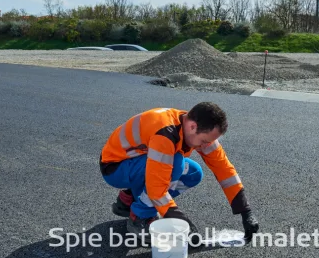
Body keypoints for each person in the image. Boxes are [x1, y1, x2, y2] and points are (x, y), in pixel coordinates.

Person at [99, 102, 259, 243]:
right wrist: (182, 223)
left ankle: (130, 198)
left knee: (193, 173)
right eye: (204, 141)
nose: (206, 145)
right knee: (175, 164)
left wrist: (245, 211)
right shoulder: (165, 134)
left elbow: (224, 169)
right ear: (192, 127)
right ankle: (139, 217)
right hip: (115, 168)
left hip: (138, 164)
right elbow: (157, 190)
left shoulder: (198, 128)